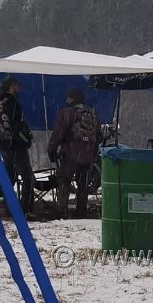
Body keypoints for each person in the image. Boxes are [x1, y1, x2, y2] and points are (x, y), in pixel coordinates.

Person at [48, 88, 101, 218]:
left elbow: (59, 132)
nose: (66, 100)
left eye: (68, 97)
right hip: (88, 154)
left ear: (72, 99)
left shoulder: (68, 112)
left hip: (71, 153)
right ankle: (81, 211)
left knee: (64, 180)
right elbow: (98, 136)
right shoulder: (92, 113)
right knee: (83, 183)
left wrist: (52, 149)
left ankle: (62, 211)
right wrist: (93, 153)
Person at [0, 76, 35, 217]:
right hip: (16, 145)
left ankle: (9, 207)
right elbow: (17, 126)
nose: (19, 88)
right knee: (28, 178)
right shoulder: (13, 102)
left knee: (8, 178)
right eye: (17, 85)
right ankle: (26, 209)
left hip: (3, 144)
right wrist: (27, 139)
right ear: (12, 86)